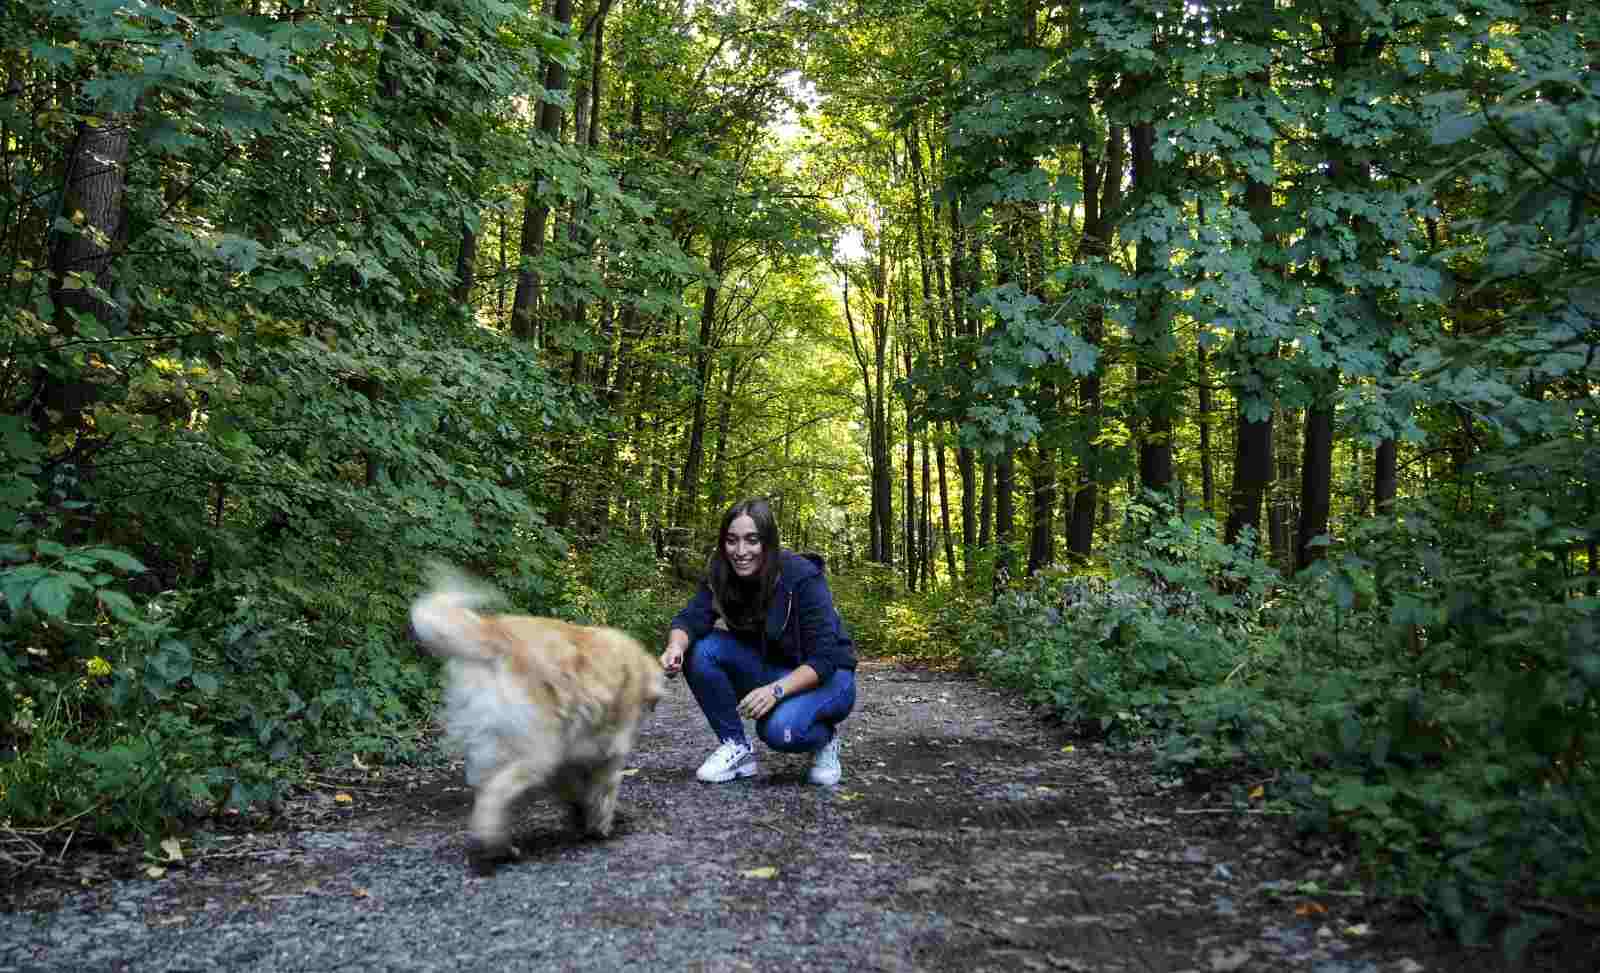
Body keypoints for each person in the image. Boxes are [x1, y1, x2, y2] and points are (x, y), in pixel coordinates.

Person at [660, 498, 857, 786]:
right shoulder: (721, 572)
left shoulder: (802, 577)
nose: (741, 551)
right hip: (773, 667)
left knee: (779, 732)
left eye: (752, 540)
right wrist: (675, 646)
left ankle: (825, 739)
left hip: (829, 677)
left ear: (768, 542)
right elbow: (690, 619)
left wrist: (775, 691)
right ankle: (736, 747)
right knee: (699, 648)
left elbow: (825, 659)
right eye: (732, 541)